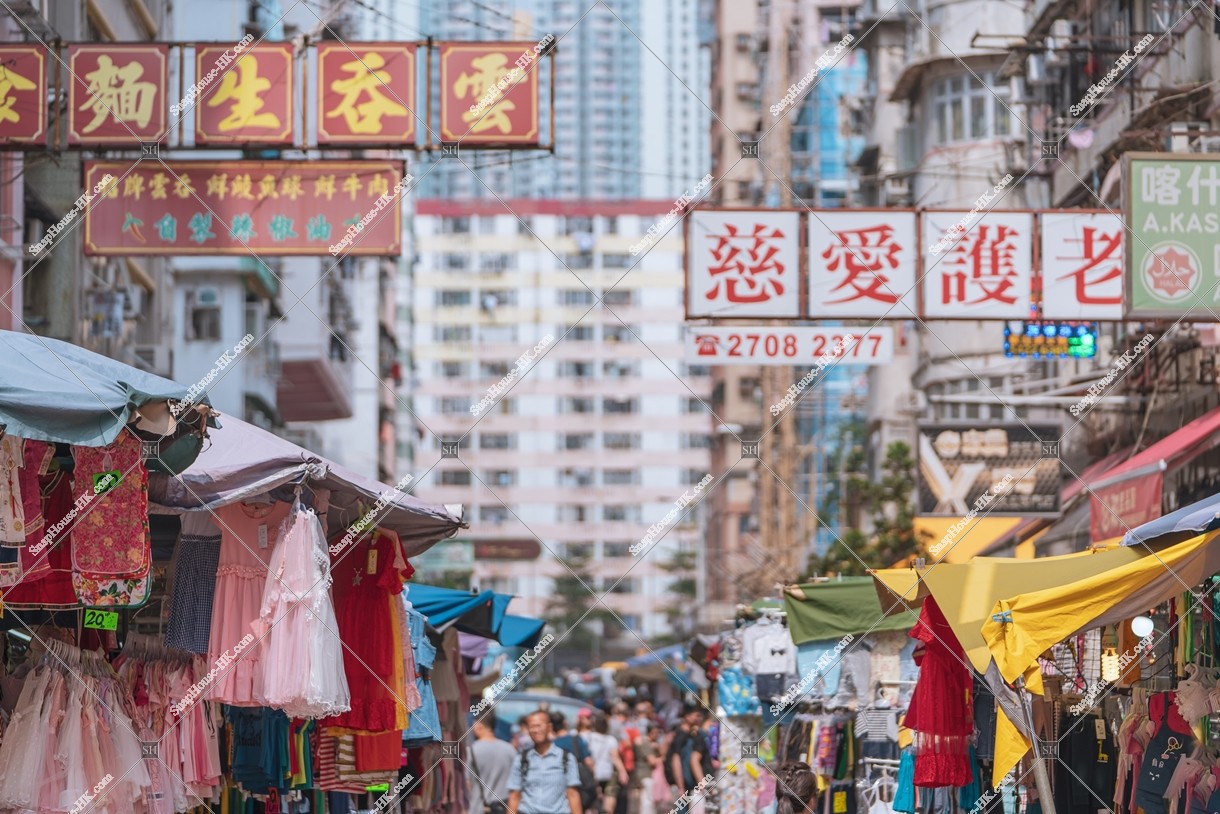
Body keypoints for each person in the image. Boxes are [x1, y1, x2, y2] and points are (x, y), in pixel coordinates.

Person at [507, 710, 582, 814]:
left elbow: (573, 794)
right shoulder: (521, 759)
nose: (535, 730)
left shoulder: (566, 758)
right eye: (532, 727)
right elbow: (514, 796)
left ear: (549, 727)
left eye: (539, 726)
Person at [469, 714, 518, 814]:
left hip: (476, 809)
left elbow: (467, 784)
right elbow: (516, 788)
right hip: (503, 809)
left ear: (479, 726)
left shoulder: (471, 750)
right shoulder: (510, 750)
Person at [582, 712, 629, 814]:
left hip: (591, 774)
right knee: (610, 796)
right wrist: (622, 771)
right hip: (607, 774)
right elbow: (615, 757)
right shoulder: (611, 740)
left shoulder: (585, 737)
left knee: (592, 802)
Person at [666, 705, 708, 814]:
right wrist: (680, 786)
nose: (699, 719)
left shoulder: (690, 734)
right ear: (687, 717)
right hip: (682, 784)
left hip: (687, 784)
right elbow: (676, 760)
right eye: (696, 716)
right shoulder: (681, 735)